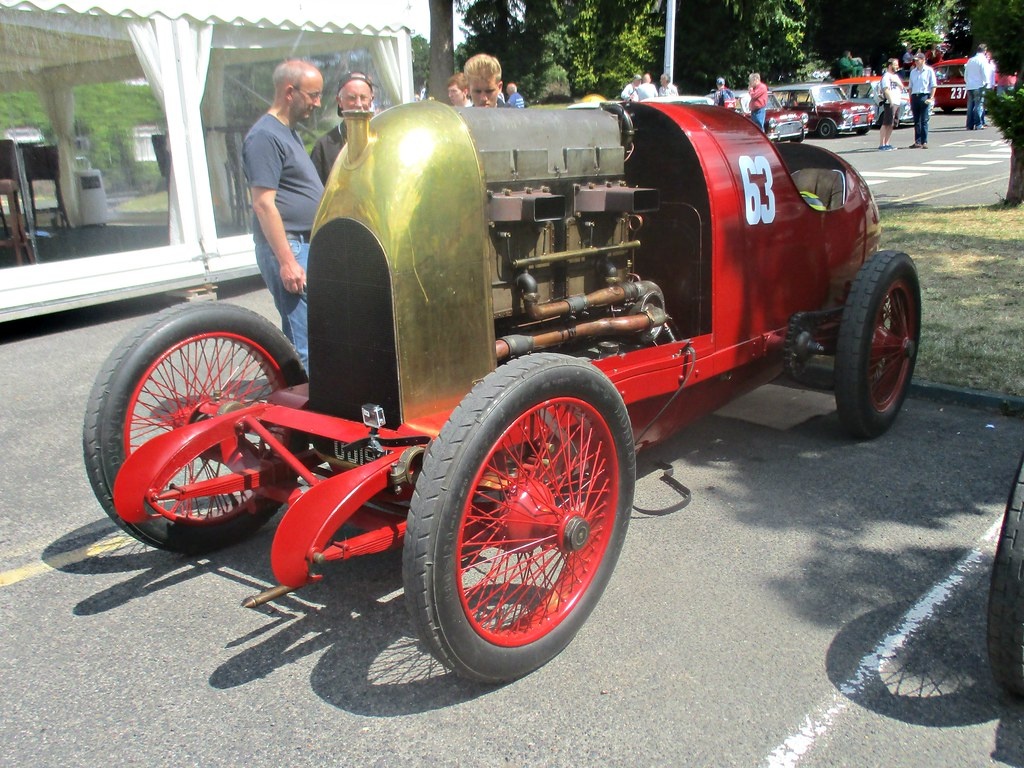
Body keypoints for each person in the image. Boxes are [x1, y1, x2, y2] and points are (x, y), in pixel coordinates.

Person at [242, 59, 324, 371]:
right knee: (306, 342)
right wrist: (288, 261)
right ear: (290, 92)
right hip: (290, 247)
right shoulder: (264, 137)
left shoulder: (287, 133)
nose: (317, 103)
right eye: (313, 95)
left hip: (303, 244)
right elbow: (263, 204)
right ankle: (316, 411)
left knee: (307, 335)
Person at [310, 72, 374, 184]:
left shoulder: (382, 137)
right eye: (352, 98)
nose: (358, 104)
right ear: (339, 101)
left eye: (363, 98)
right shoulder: (323, 146)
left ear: (371, 100)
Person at [907, 52, 936, 149]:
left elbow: (933, 85)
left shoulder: (929, 71)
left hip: (924, 95)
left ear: (923, 60)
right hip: (915, 96)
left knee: (924, 120)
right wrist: (910, 97)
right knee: (916, 120)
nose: (916, 62)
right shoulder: (913, 72)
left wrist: (931, 97)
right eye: (915, 60)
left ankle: (924, 141)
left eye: (917, 60)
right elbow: (910, 86)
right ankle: (917, 141)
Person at [877, 58, 904, 151]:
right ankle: (882, 144)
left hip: (897, 101)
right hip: (890, 103)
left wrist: (896, 82)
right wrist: (891, 101)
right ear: (890, 66)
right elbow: (886, 90)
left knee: (891, 124)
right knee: (886, 123)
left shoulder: (895, 77)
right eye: (895, 64)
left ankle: (887, 143)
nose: (897, 66)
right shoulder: (886, 76)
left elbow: (901, 87)